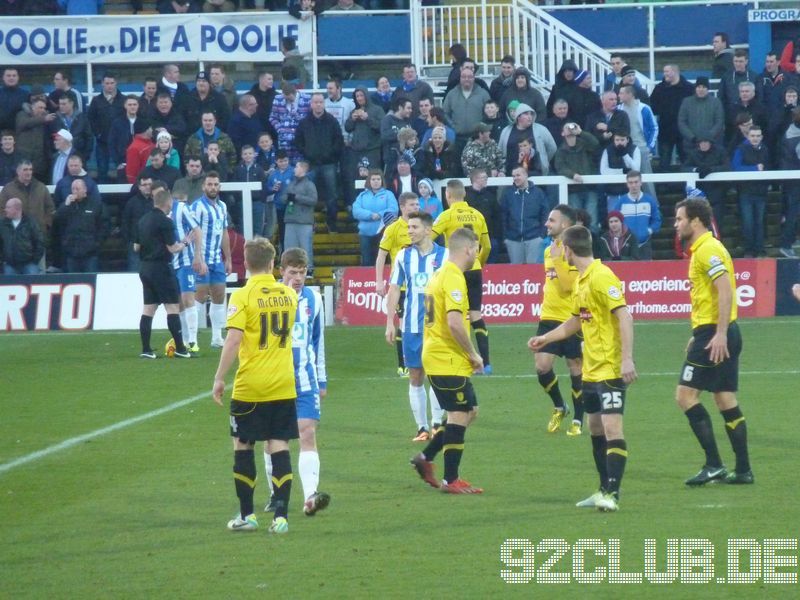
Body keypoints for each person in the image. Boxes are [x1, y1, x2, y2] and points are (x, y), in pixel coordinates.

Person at [529, 225, 637, 512]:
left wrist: (627, 359)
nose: (558, 252)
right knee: (595, 427)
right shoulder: (580, 281)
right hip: (591, 369)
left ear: (568, 249)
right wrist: (545, 338)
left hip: (611, 368)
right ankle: (603, 488)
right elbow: (576, 321)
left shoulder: (602, 277)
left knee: (613, 428)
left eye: (560, 247)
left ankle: (612, 494)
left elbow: (624, 316)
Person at [212, 237, 299, 535]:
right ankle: (281, 517)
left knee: (243, 445)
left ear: (246, 264)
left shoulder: (242, 296)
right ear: (273, 263)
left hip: (251, 386)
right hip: (284, 384)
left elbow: (234, 339)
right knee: (279, 445)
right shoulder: (289, 295)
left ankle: (248, 516)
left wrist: (219, 377)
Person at [673, 198, 753, 486]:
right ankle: (743, 470)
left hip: (716, 334)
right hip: (716, 331)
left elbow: (725, 290)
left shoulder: (707, 250)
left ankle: (714, 464)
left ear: (696, 221)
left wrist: (716, 333)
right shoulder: (704, 250)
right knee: (724, 397)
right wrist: (700, 332)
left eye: (680, 219)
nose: (676, 224)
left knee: (685, 396)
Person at [410, 227, 484, 494]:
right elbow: (454, 323)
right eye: (476, 248)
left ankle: (426, 457)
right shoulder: (453, 277)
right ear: (467, 249)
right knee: (459, 415)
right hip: (446, 358)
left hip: (440, 355)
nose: (477, 253)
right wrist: (473, 353)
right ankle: (450, 480)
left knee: (469, 412)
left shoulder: (440, 274)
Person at [263, 247, 330, 517]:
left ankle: (310, 496)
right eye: (293, 272)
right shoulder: (270, 298)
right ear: (281, 271)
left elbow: (318, 341)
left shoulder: (314, 299)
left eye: (303, 272)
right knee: (273, 440)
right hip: (273, 379)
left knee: (307, 433)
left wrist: (322, 378)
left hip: (305, 379)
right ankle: (275, 495)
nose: (299, 277)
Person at [386, 211, 447, 440]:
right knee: (415, 375)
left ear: (428, 230)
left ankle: (437, 423)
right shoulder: (403, 256)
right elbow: (394, 289)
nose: (409, 231)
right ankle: (422, 428)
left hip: (438, 327)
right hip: (411, 326)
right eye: (408, 227)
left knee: (437, 375)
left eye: (414, 227)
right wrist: (390, 322)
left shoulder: (446, 256)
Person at [533, 205, 584, 435]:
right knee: (542, 367)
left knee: (575, 367)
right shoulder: (549, 250)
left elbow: (567, 286)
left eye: (551, 220)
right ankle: (559, 406)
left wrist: (558, 260)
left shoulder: (575, 251)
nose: (547, 224)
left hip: (571, 318)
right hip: (549, 317)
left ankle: (579, 419)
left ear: (564, 224)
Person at [432, 180, 492, 373]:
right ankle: (487, 363)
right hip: (474, 268)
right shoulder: (477, 215)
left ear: (448, 195)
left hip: (455, 270)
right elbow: (487, 246)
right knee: (476, 314)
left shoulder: (447, 215)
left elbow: (429, 238)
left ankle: (465, 358)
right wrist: (478, 264)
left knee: (456, 315)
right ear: (464, 194)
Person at [134, 187, 192, 360]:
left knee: (148, 309)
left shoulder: (143, 220)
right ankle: (181, 348)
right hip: (161, 268)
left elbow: (136, 247)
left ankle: (146, 349)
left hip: (144, 268)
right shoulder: (165, 222)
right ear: (168, 202)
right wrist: (185, 243)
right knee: (172, 306)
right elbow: (172, 248)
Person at [375, 192, 419, 378]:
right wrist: (379, 281)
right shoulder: (393, 229)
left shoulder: (421, 228)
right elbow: (381, 256)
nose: (416, 208)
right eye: (412, 205)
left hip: (419, 285)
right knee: (403, 323)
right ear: (402, 207)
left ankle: (419, 360)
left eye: (417, 205)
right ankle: (403, 365)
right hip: (400, 286)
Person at [191, 172, 232, 348]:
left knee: (219, 295)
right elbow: (191, 233)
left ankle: (217, 337)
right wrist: (198, 257)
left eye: (216, 184)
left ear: (219, 186)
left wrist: (228, 258)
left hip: (217, 260)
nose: (213, 187)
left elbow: (224, 233)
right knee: (199, 296)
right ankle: (191, 338)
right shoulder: (196, 207)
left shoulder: (222, 206)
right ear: (203, 186)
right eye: (210, 184)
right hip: (201, 259)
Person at [294, 93, 344, 233]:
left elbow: (338, 140)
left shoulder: (332, 121)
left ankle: (332, 223)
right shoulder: (304, 123)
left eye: (321, 102)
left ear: (324, 103)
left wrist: (330, 154)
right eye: (315, 102)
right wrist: (307, 153)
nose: (318, 104)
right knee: (307, 194)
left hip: (329, 163)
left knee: (332, 195)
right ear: (311, 104)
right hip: (310, 164)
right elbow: (298, 142)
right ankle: (310, 223)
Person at [170, 189, 206, 354]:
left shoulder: (182, 209)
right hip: (170, 263)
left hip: (186, 261)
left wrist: (197, 256)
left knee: (188, 298)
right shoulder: (159, 213)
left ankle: (193, 340)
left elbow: (197, 231)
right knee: (178, 302)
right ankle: (184, 339)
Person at [732, 125, 770, 257]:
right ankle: (749, 250)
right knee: (748, 222)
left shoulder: (765, 149)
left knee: (759, 222)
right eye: (753, 136)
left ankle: (759, 250)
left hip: (761, 192)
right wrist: (754, 168)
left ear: (761, 137)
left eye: (758, 136)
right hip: (746, 192)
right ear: (748, 136)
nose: (755, 138)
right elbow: (735, 167)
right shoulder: (741, 149)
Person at [52, 179, 104, 273]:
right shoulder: (67, 206)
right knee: (74, 283)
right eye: (73, 189)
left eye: (77, 188)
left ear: (85, 189)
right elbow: (57, 220)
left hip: (90, 253)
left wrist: (97, 243)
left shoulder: (95, 204)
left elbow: (103, 225)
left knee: (90, 280)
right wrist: (65, 205)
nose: (75, 191)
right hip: (71, 253)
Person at [500, 167, 549, 264]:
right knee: (516, 274)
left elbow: (545, 214)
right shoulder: (508, 194)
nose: (515, 178)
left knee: (534, 273)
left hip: (534, 238)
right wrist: (505, 237)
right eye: (513, 176)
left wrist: (541, 235)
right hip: (513, 239)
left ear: (526, 175)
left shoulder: (538, 193)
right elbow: (503, 216)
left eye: (518, 175)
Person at [609, 171, 662, 260]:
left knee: (647, 272)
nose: (633, 185)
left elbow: (657, 220)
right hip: (626, 245)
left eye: (636, 182)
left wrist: (649, 230)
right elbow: (614, 221)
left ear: (641, 182)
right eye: (630, 183)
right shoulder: (621, 202)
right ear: (627, 184)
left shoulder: (649, 200)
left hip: (645, 244)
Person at [352, 169, 398, 266]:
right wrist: (371, 215)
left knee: (384, 262)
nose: (376, 181)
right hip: (365, 235)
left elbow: (394, 210)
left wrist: (380, 214)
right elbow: (356, 211)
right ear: (369, 181)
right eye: (373, 179)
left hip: (384, 234)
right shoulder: (362, 196)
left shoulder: (388, 194)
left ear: (382, 181)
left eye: (378, 179)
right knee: (367, 262)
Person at [87, 73, 126, 182]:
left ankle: (121, 198)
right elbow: (90, 119)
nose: (109, 86)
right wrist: (97, 133)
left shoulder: (123, 100)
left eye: (112, 83)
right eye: (107, 83)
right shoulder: (96, 101)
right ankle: (101, 198)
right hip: (102, 142)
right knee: (102, 170)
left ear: (116, 83)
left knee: (121, 170)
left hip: (119, 143)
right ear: (102, 84)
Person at [283, 160, 318, 271]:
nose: (294, 169)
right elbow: (283, 197)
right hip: (290, 218)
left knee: (305, 247)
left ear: (303, 169)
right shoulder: (291, 183)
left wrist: (297, 197)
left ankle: (308, 269)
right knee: (289, 248)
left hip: (304, 221)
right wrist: (286, 198)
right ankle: (289, 268)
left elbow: (313, 200)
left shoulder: (309, 184)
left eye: (297, 167)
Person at [465, 169, 501, 263]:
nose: (486, 180)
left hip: (489, 237)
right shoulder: (466, 197)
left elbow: (497, 216)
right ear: (476, 179)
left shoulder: (490, 196)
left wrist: (496, 235)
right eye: (484, 177)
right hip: (471, 238)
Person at [0, 197, 44, 275]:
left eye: (8, 207)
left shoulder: (30, 223)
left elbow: (39, 242)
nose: (5, 210)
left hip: (29, 264)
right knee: (10, 286)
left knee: (33, 284)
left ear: (17, 209)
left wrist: (35, 261)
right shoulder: (2, 224)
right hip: (9, 265)